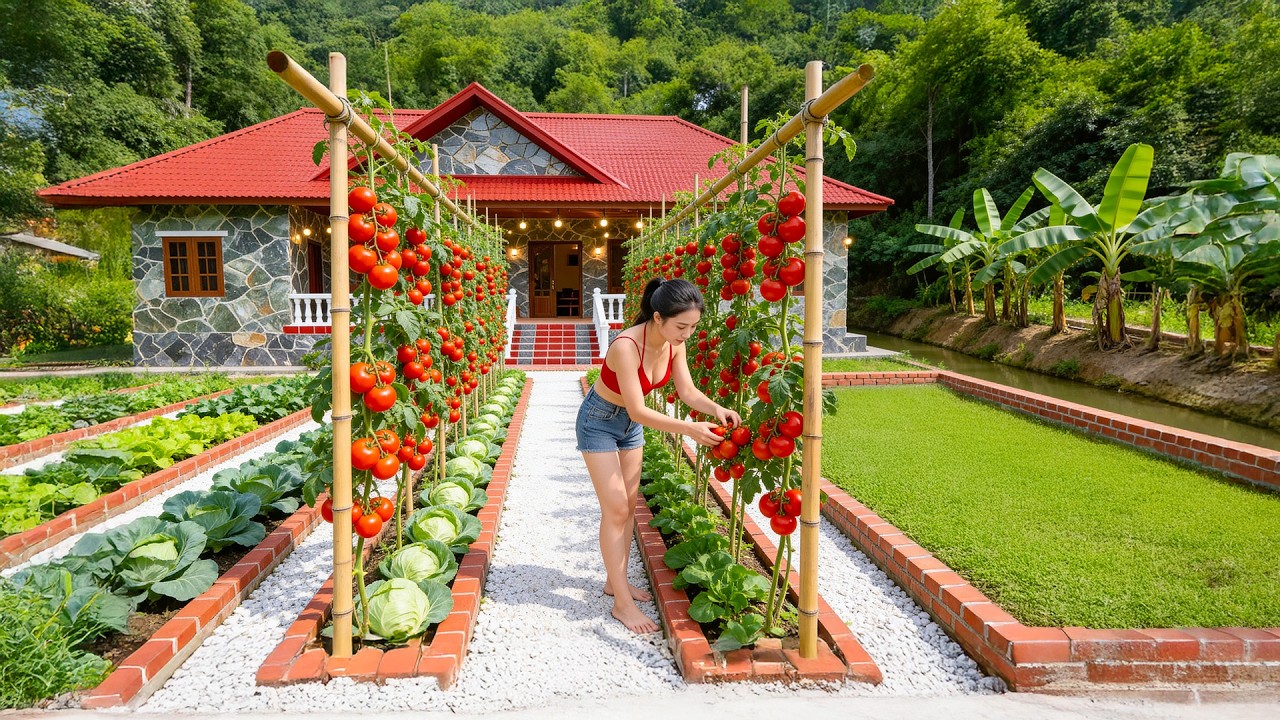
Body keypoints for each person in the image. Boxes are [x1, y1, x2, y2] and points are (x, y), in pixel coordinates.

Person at [576, 277, 742, 634]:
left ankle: (613, 582)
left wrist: (715, 410)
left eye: (693, 327)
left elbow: (688, 391)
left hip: (630, 426)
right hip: (599, 421)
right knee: (616, 508)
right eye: (681, 326)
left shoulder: (673, 343)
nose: (687, 334)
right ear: (657, 317)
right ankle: (621, 603)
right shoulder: (625, 347)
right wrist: (690, 429)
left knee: (629, 506)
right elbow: (637, 410)